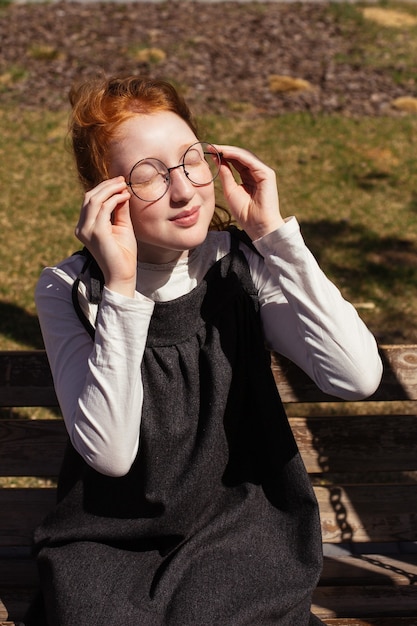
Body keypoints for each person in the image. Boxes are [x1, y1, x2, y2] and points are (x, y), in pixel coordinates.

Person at [28, 75, 382, 626]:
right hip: (110, 547)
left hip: (239, 535)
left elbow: (355, 376)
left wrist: (276, 238)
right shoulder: (70, 290)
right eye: (147, 175)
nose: (184, 190)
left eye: (191, 158)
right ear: (105, 194)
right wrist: (121, 290)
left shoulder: (241, 266)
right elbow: (111, 454)